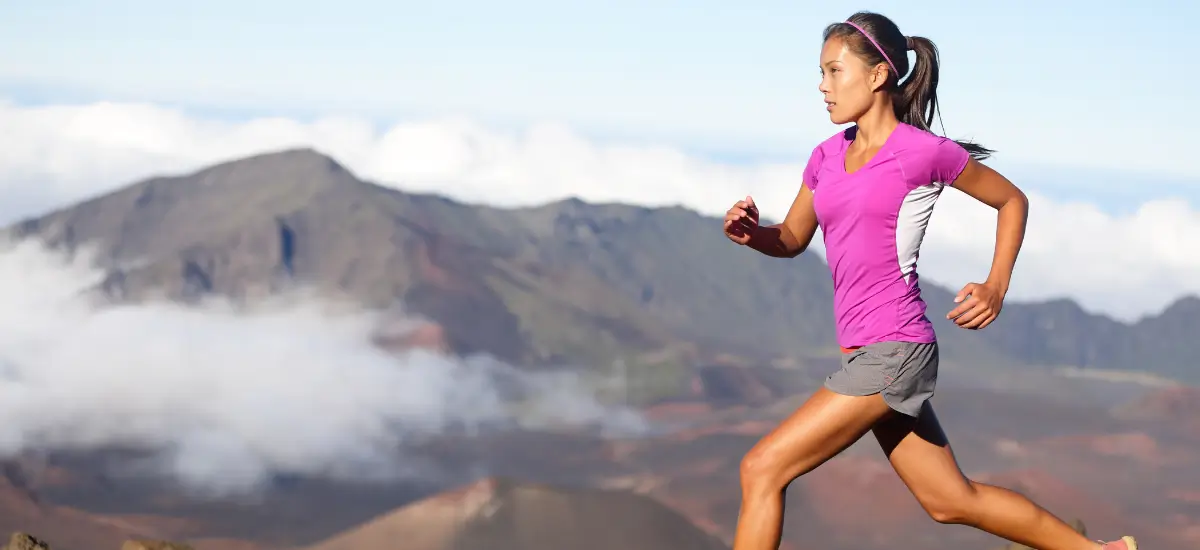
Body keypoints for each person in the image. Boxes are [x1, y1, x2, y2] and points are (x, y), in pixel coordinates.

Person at [721, 11, 1137, 550]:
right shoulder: (825, 157)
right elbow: (794, 239)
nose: (822, 86)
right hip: (863, 350)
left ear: (877, 76)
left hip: (895, 348)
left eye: (833, 71)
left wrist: (995, 286)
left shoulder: (921, 153)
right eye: (820, 73)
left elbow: (1011, 199)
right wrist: (753, 234)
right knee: (951, 501)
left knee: (761, 469)